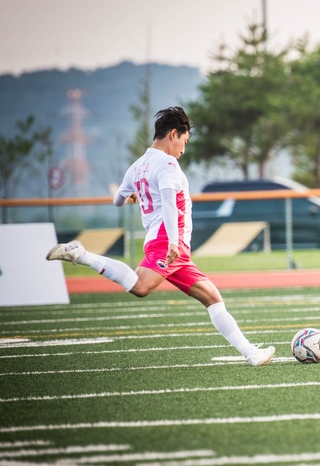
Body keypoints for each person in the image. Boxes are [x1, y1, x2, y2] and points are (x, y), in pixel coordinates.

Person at [45, 107, 274, 366]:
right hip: (168, 242)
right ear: (173, 134)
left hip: (164, 243)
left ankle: (252, 354)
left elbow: (117, 200)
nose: (183, 149)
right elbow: (168, 203)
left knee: (212, 298)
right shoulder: (167, 164)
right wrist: (174, 243)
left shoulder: (136, 166)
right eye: (184, 142)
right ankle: (81, 254)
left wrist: (134, 196)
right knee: (141, 287)